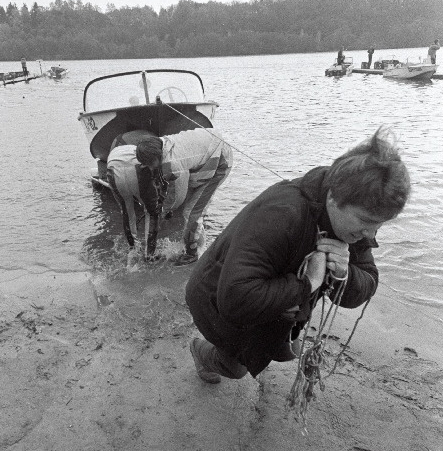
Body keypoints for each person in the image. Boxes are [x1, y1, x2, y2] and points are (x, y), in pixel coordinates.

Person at [185, 127, 411, 384]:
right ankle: (200, 351)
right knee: (237, 368)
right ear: (335, 199)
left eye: (379, 225)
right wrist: (308, 284)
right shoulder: (281, 214)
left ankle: (276, 336)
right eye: (366, 221)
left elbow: (368, 281)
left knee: (287, 347)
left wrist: (343, 273)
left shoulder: (356, 218)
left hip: (270, 298)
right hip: (214, 297)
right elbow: (235, 298)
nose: (370, 233)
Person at [107, 128, 233, 263]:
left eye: (149, 164)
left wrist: (164, 209)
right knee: (192, 209)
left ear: (155, 158)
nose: (148, 168)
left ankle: (193, 254)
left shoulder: (173, 165)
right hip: (208, 146)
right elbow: (171, 184)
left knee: (191, 212)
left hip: (220, 161)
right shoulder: (162, 145)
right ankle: (199, 244)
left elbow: (178, 197)